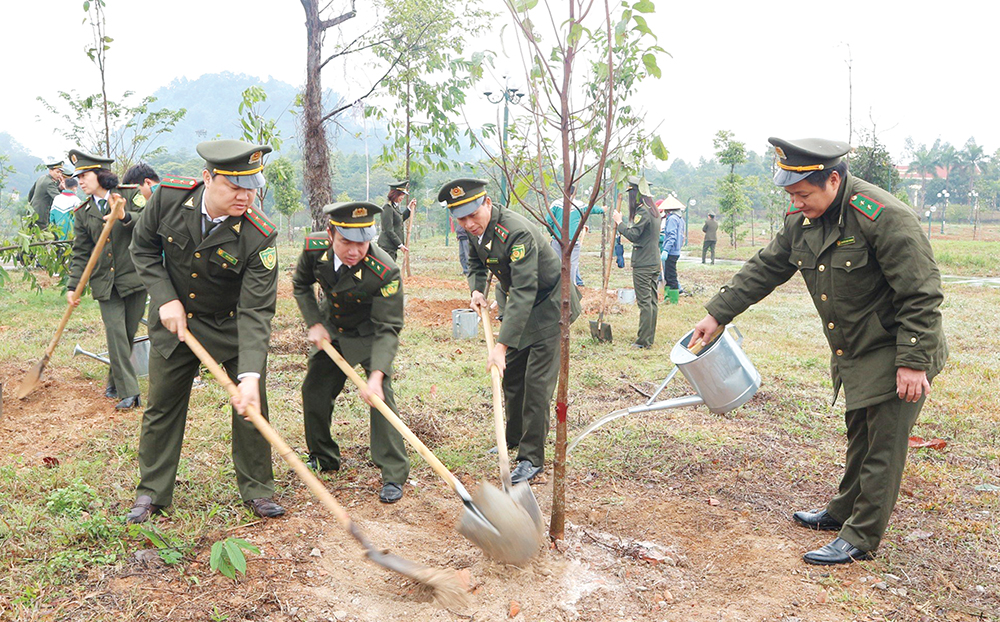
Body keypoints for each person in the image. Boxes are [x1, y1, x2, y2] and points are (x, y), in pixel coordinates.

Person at [689, 137, 948, 565]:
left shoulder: (883, 217)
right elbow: (767, 266)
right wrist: (719, 314)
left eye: (803, 194)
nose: (797, 203)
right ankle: (842, 510)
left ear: (833, 179)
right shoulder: (805, 219)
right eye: (791, 194)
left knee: (883, 444)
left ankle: (860, 538)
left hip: (898, 347)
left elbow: (921, 294)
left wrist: (913, 363)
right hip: (856, 348)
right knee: (859, 433)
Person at [126, 139, 283, 523]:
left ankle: (258, 489)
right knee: (162, 407)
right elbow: (143, 248)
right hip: (173, 323)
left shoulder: (259, 235)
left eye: (252, 186)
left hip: (229, 327)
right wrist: (164, 297)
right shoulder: (168, 198)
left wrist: (249, 375)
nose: (245, 196)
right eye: (234, 186)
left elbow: (256, 310)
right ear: (207, 178)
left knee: (251, 406)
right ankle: (152, 492)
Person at [442, 178, 580, 484]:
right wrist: (478, 290)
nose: (468, 223)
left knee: (537, 385)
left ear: (487, 203)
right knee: (514, 379)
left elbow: (525, 290)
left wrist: (501, 347)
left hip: (549, 307)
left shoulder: (516, 233)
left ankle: (531, 458)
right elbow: (477, 265)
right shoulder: (475, 231)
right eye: (461, 219)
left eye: (473, 215)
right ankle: (514, 438)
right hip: (518, 304)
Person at [292, 201, 410, 503]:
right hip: (332, 328)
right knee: (314, 390)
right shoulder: (314, 249)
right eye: (347, 242)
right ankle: (323, 456)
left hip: (370, 332)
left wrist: (377, 374)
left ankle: (393, 473)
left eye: (362, 242)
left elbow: (388, 327)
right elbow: (300, 284)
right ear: (331, 234)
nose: (355, 251)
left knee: (381, 395)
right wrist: (315, 322)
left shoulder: (385, 270)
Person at [65, 150, 147, 410]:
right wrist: (72, 286)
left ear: (101, 174)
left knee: (127, 334)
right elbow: (81, 253)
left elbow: (148, 224)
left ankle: (114, 381)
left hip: (134, 277)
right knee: (115, 334)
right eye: (77, 177)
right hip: (105, 284)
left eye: (85, 175)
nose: (80, 181)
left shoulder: (130, 195)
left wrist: (123, 216)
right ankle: (129, 392)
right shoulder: (82, 212)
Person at [612, 178, 660, 349]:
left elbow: (633, 235)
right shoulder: (653, 211)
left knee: (645, 302)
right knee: (652, 301)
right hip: (653, 261)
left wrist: (619, 223)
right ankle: (649, 338)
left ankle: (643, 341)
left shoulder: (644, 212)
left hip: (644, 264)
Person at [545, 184, 604, 287]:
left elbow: (549, 220)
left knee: (556, 265)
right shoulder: (579, 205)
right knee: (572, 265)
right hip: (572, 242)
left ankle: (555, 288)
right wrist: (602, 210)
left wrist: (553, 233)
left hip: (557, 240)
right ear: (574, 192)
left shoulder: (556, 204)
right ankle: (570, 288)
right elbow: (592, 208)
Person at [376, 180, 415, 261]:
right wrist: (400, 245)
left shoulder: (394, 206)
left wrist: (409, 208)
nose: (402, 198)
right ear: (395, 194)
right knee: (388, 271)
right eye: (401, 195)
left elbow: (399, 220)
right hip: (386, 247)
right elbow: (389, 230)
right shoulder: (387, 207)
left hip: (391, 247)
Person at [26, 161, 63, 228]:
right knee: (43, 236)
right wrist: (65, 189)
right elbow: (59, 200)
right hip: (41, 216)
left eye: (61, 172)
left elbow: (31, 193)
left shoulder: (42, 178)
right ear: (50, 171)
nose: (59, 175)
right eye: (57, 172)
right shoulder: (50, 183)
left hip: (32, 212)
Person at [660, 199, 685, 292]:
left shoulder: (672, 219)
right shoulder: (680, 219)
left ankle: (673, 297)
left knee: (670, 276)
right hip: (676, 250)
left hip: (671, 250)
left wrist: (666, 249)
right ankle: (670, 296)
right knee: (670, 274)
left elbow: (671, 235)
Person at [50, 175, 81, 240]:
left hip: (58, 235)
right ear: (75, 188)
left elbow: (51, 218)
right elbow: (78, 221)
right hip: (71, 237)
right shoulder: (77, 200)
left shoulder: (57, 198)